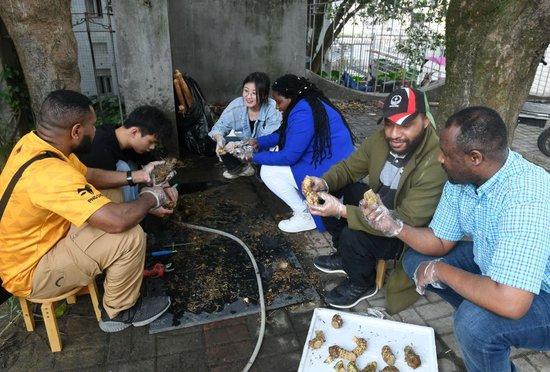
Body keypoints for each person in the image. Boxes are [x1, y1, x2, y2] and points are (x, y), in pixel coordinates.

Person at [361, 106, 550, 371]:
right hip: (498, 269)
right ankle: (488, 323)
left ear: (475, 157)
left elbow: (512, 302)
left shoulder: (525, 196)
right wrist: (394, 225)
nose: (439, 158)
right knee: (416, 259)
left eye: (446, 154)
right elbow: (439, 240)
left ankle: (486, 329)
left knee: (474, 325)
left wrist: (440, 270)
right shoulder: (462, 179)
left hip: (544, 292)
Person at [0, 90, 178, 333]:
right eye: (92, 126)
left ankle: (115, 275)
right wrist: (151, 196)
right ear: (75, 131)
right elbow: (116, 222)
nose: (96, 131)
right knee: (129, 236)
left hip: (39, 242)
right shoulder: (50, 174)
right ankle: (119, 311)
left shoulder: (37, 145)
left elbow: (89, 175)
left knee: (114, 196)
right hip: (30, 271)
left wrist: (138, 176)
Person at [306, 87, 447, 308]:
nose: (394, 134)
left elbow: (408, 219)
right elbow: (349, 169)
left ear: (426, 121)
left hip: (402, 233)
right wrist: (322, 183)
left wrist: (343, 211)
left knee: (352, 235)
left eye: (406, 125)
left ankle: (362, 282)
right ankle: (346, 256)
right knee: (331, 192)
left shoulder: (436, 160)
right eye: (389, 124)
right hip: (376, 207)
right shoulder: (379, 140)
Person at [247, 74, 355, 233]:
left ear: (291, 97)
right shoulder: (307, 102)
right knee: (272, 152)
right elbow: (287, 134)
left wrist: (252, 157)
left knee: (269, 171)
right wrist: (259, 142)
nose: (277, 106)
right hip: (331, 158)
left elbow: (289, 156)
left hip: (331, 166)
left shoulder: (303, 110)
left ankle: (305, 215)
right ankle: (306, 204)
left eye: (279, 101)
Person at [77, 105, 171, 202]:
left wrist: (166, 186)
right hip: (93, 201)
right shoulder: (99, 147)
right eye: (151, 142)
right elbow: (92, 184)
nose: (152, 147)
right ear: (134, 132)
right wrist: (149, 206)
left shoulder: (129, 142)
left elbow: (152, 165)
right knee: (123, 167)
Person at [209, 72, 281, 179]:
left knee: (273, 148)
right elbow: (219, 127)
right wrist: (219, 139)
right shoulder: (236, 105)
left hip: (262, 145)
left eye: (254, 93)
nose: (248, 96)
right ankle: (242, 168)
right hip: (243, 142)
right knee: (225, 142)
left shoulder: (272, 109)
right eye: (246, 91)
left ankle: (258, 167)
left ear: (264, 95)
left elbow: (263, 140)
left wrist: (238, 145)